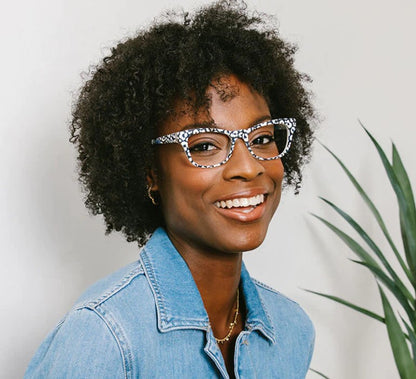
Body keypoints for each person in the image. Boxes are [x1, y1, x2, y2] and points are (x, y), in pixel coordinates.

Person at [25, 1, 316, 378]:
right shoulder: (106, 336)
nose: (248, 166)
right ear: (150, 173)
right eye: (205, 146)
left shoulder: (291, 332)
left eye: (262, 138)